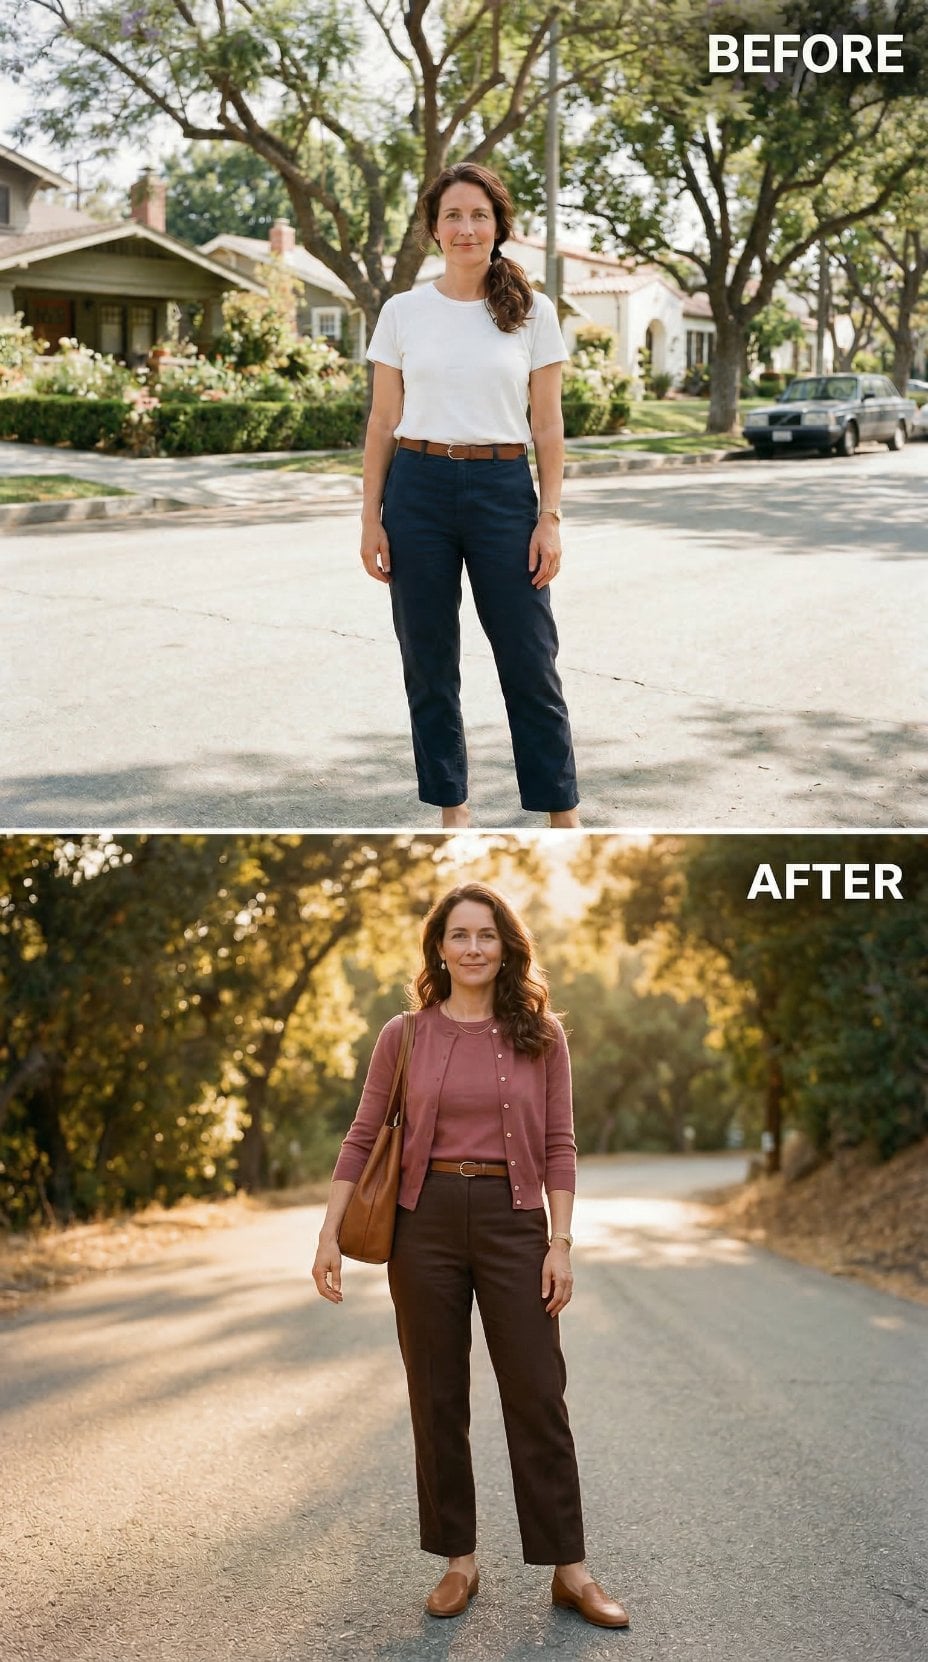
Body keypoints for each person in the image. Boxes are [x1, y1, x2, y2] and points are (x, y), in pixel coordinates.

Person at [312, 883, 629, 1630]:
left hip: (514, 1222)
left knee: (537, 1392)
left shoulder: (542, 1035)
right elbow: (363, 1134)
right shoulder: (406, 1034)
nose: (475, 948)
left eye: (487, 934)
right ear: (439, 948)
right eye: (459, 935)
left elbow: (560, 1144)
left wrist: (560, 1242)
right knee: (437, 1393)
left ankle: (570, 1570)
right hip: (421, 1226)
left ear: (507, 945)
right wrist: (328, 1233)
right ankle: (458, 1561)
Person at [359, 162, 581, 831]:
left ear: (498, 226)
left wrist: (550, 518)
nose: (466, 227)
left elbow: (547, 423)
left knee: (529, 657)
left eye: (479, 215)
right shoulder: (402, 312)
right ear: (433, 229)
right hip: (418, 491)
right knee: (429, 660)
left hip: (503, 489)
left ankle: (560, 810)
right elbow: (381, 421)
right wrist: (371, 516)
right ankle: (453, 807)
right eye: (452, 215)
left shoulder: (532, 312)